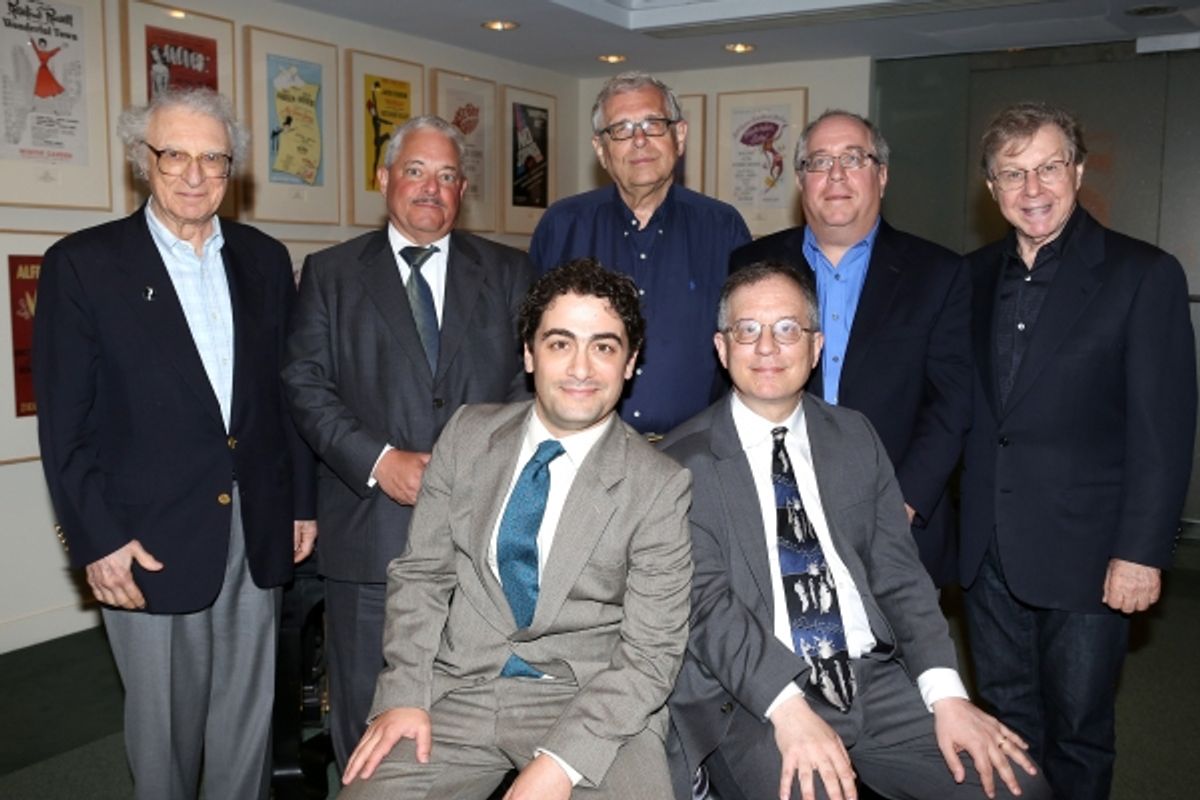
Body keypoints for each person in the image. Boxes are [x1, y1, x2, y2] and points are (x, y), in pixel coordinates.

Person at [663, 263, 1050, 800]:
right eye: (747, 330)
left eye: (787, 329)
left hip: (871, 675)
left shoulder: (853, 435)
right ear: (722, 348)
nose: (768, 347)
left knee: (1019, 787)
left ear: (816, 345)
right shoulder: (680, 462)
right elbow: (706, 609)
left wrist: (948, 696)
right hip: (754, 695)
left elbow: (899, 574)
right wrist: (787, 707)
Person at [33, 87, 316, 800]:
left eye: (213, 158)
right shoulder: (84, 264)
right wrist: (96, 541)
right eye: (175, 155)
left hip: (255, 530)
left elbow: (287, 397)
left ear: (233, 167)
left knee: (246, 730)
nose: (194, 175)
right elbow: (64, 424)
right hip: (145, 542)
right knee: (162, 739)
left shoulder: (263, 259)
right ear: (141, 160)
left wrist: (301, 505)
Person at [338, 259, 693, 800]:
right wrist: (404, 693)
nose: (580, 368)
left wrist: (560, 764)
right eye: (559, 344)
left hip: (592, 702)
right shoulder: (466, 434)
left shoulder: (659, 485)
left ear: (629, 363)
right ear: (529, 354)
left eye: (603, 346)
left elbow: (651, 654)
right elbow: (422, 575)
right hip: (457, 688)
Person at [959, 101, 1197, 800]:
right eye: (1012, 173)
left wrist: (1143, 550)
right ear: (992, 188)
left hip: (1092, 554)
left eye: (1048, 167)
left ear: (1079, 171)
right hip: (988, 553)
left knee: (1078, 730)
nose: (1032, 189)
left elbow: (1165, 428)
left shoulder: (1141, 275)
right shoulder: (967, 279)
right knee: (1006, 724)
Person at [282, 114, 535, 770]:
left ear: (464, 189)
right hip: (371, 537)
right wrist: (378, 460)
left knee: (477, 718)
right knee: (371, 721)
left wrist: (471, 468)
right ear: (383, 178)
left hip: (482, 538)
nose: (432, 188)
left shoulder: (510, 272)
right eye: (416, 171)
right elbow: (305, 385)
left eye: (447, 176)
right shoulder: (331, 274)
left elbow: (529, 382)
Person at [730, 110, 970, 586]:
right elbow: (728, 384)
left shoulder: (939, 273)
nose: (835, 175)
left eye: (853, 158)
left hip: (896, 523)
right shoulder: (750, 264)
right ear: (801, 180)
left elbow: (953, 403)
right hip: (772, 512)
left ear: (881, 175)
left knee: (895, 659)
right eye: (819, 162)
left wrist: (900, 504)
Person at [530, 71, 750, 438]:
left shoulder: (723, 228)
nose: (639, 141)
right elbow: (530, 343)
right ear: (601, 150)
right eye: (622, 129)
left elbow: (747, 342)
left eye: (652, 124)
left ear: (679, 136)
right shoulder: (561, 226)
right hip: (584, 451)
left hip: (697, 453)